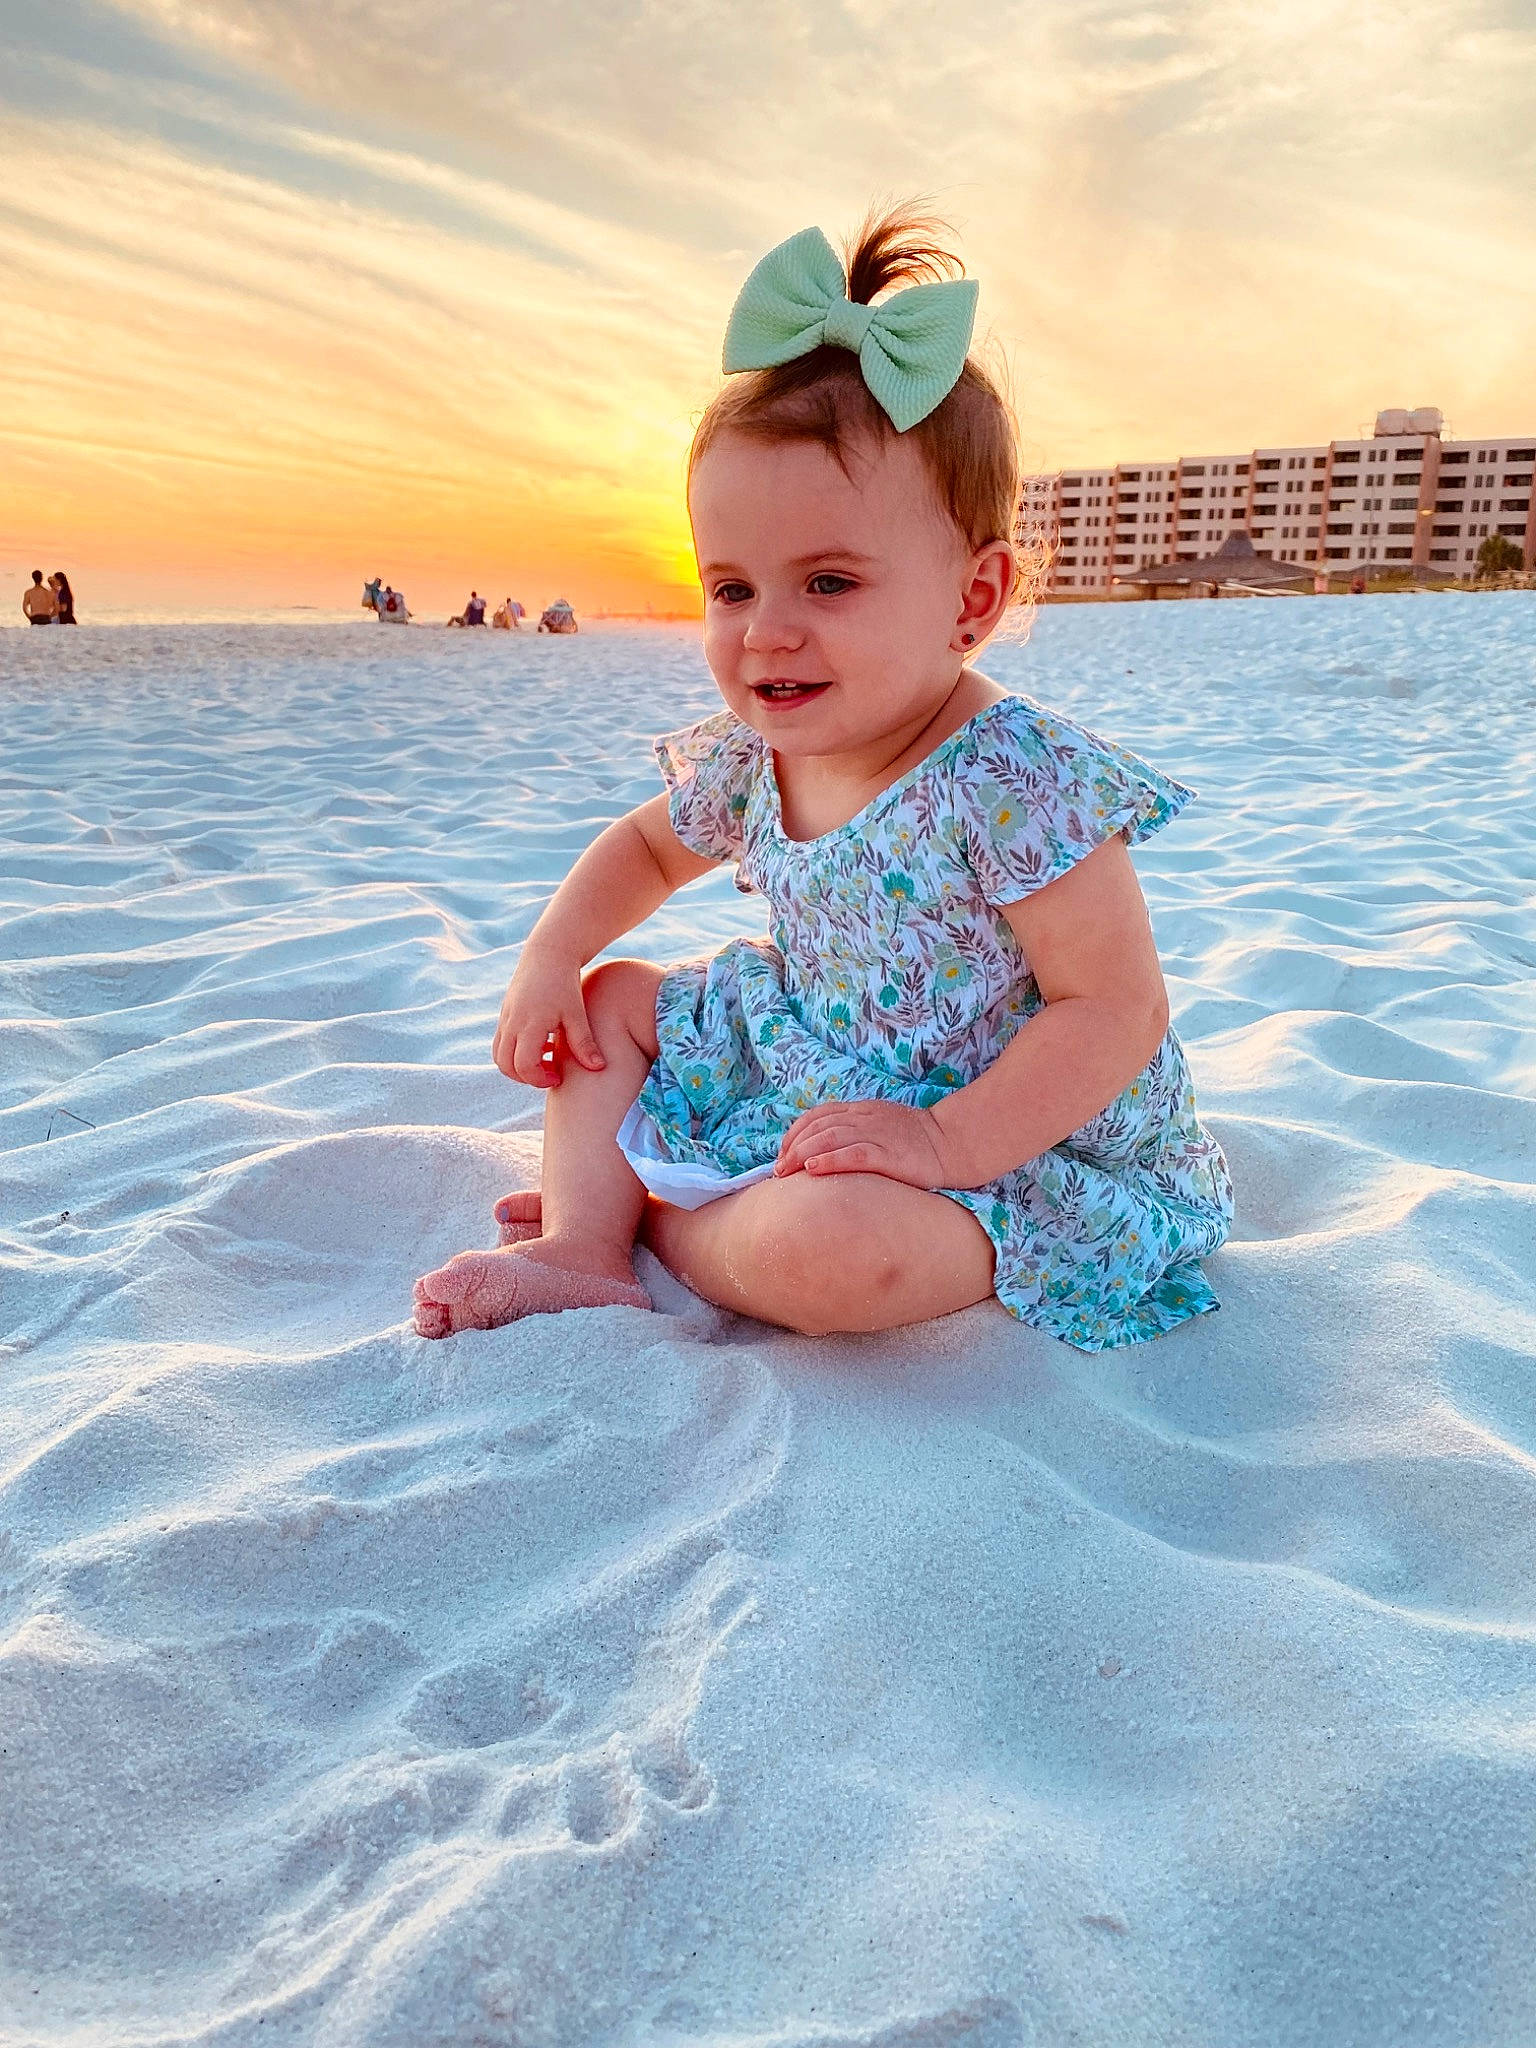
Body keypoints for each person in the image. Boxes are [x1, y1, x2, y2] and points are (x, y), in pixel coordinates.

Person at [412, 207, 1232, 1350]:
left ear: (973, 599)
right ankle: (585, 1247)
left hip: (1002, 1134)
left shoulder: (1012, 778)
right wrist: (551, 956)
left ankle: (652, 1215)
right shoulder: (758, 756)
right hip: (809, 1052)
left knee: (841, 1255)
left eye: (830, 583)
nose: (767, 634)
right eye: (733, 588)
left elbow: (1116, 1007)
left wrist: (944, 1142)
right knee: (610, 1003)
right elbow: (648, 849)